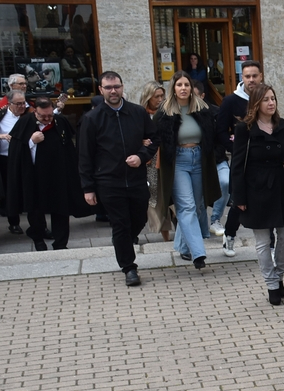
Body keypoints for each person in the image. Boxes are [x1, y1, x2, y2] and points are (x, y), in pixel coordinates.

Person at [79, 71, 158, 286]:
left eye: (116, 87)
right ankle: (129, 268)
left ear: (122, 87)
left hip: (136, 178)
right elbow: (85, 156)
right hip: (108, 182)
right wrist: (88, 188)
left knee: (139, 218)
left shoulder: (137, 112)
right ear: (101, 90)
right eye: (108, 87)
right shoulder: (92, 119)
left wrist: (142, 156)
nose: (113, 91)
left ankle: (122, 241)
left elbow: (154, 138)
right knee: (120, 224)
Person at [230, 84, 284, 306]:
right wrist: (239, 197)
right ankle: (272, 284)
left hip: (279, 186)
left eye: (273, 98)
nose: (271, 102)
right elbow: (237, 164)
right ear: (256, 103)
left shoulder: (280, 124)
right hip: (255, 189)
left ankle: (279, 275)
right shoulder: (244, 128)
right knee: (263, 241)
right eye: (266, 99)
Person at [154, 71, 220, 270]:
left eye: (186, 85)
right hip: (178, 162)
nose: (183, 88)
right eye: (179, 85)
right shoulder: (164, 112)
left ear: (192, 88)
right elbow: (153, 136)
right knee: (187, 207)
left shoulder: (203, 109)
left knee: (198, 206)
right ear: (173, 89)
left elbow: (214, 134)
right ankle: (198, 253)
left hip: (199, 159)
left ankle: (183, 246)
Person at [6, 97, 89, 250]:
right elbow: (16, 151)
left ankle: (61, 243)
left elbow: (69, 148)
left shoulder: (60, 121)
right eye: (42, 116)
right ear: (34, 112)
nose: (46, 119)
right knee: (35, 210)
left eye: (50, 115)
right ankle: (38, 239)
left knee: (61, 209)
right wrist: (31, 142)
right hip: (34, 176)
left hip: (58, 175)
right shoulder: (25, 123)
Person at [217, 60, 263, 257]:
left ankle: (269, 245)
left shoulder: (266, 98)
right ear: (241, 77)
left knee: (265, 202)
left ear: (260, 76)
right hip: (241, 163)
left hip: (263, 161)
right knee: (238, 202)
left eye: (254, 76)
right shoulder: (231, 101)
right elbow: (220, 131)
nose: (251, 80)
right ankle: (229, 236)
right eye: (247, 76)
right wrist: (235, 149)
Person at [193, 81, 230, 238]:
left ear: (202, 96)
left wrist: (213, 156)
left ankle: (215, 219)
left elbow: (222, 138)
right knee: (199, 197)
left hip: (217, 159)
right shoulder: (184, 115)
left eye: (194, 95)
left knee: (225, 181)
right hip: (195, 162)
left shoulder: (215, 113)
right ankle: (202, 230)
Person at [138, 80, 171, 242]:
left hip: (168, 157)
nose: (160, 99)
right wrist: (141, 141)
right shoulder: (140, 114)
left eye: (162, 96)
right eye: (156, 96)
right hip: (150, 161)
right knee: (155, 197)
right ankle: (164, 235)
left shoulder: (168, 113)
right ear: (148, 97)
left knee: (171, 196)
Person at [0, 90, 30, 234]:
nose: (22, 106)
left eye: (23, 103)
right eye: (18, 104)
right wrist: (2, 136)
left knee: (29, 189)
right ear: (10, 104)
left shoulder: (29, 115)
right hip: (6, 158)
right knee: (10, 190)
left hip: (26, 157)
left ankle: (38, 225)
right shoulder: (2, 115)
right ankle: (14, 222)